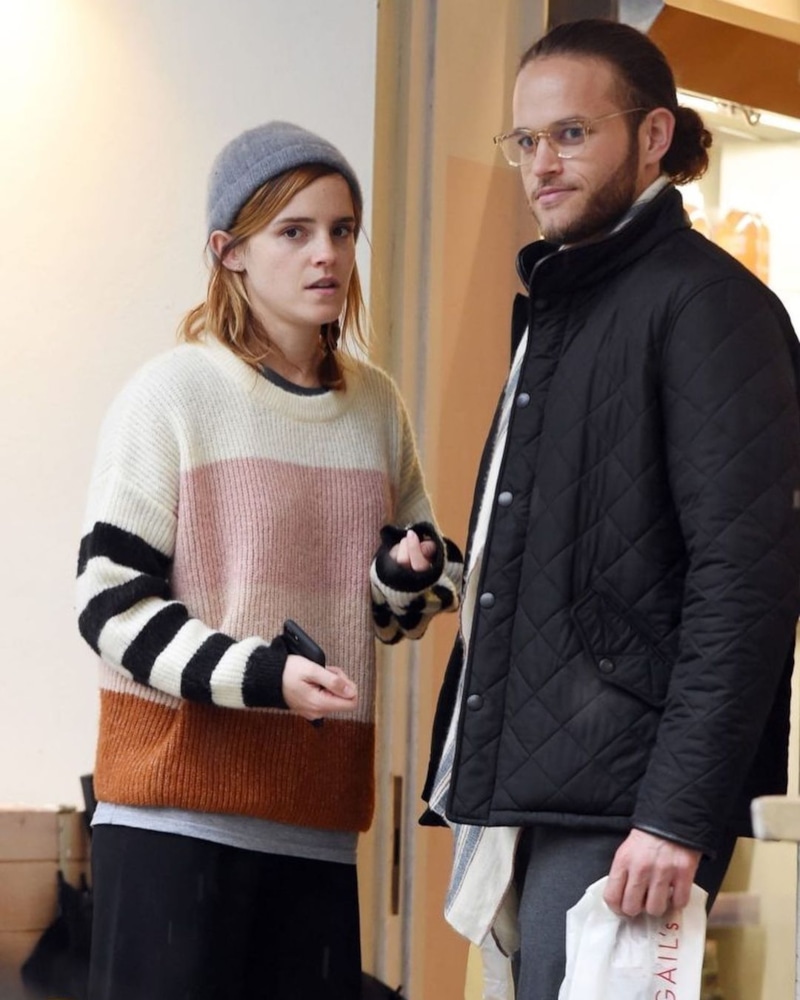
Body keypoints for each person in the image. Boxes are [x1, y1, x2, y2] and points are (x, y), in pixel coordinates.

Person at [422, 18, 800, 1000]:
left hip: (626, 805)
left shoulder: (711, 308)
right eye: (525, 140)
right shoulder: (565, 307)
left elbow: (746, 581)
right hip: (536, 788)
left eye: (571, 134)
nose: (540, 164)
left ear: (652, 136)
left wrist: (676, 812)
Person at [75, 120, 462, 1000]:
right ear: (231, 253)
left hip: (317, 827)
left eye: (342, 230)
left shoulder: (376, 407)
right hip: (173, 825)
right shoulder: (171, 394)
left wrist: (407, 576)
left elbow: (410, 594)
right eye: (294, 232)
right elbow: (108, 605)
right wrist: (264, 675)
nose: (327, 254)